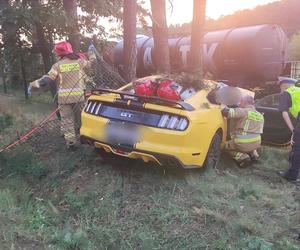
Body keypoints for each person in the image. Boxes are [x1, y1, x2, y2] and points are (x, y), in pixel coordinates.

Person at [28, 41, 96, 149]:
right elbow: (92, 64)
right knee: (82, 118)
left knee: (67, 121)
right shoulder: (80, 62)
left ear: (59, 54)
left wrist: (34, 85)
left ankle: (71, 144)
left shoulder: (57, 66)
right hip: (79, 98)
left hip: (64, 99)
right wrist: (91, 53)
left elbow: (48, 79)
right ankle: (87, 139)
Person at [221, 95, 264, 167]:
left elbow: (227, 112)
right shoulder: (260, 115)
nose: (239, 104)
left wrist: (221, 105)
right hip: (256, 143)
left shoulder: (243, 111)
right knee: (249, 143)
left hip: (243, 143)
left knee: (224, 146)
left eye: (240, 102)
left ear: (244, 102)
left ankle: (243, 157)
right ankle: (254, 155)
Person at [277, 77, 300, 182]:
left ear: (284, 86)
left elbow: (284, 113)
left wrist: (293, 130)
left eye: (280, 87)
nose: (280, 90)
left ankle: (292, 176)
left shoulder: (286, 93)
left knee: (297, 149)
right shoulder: (298, 91)